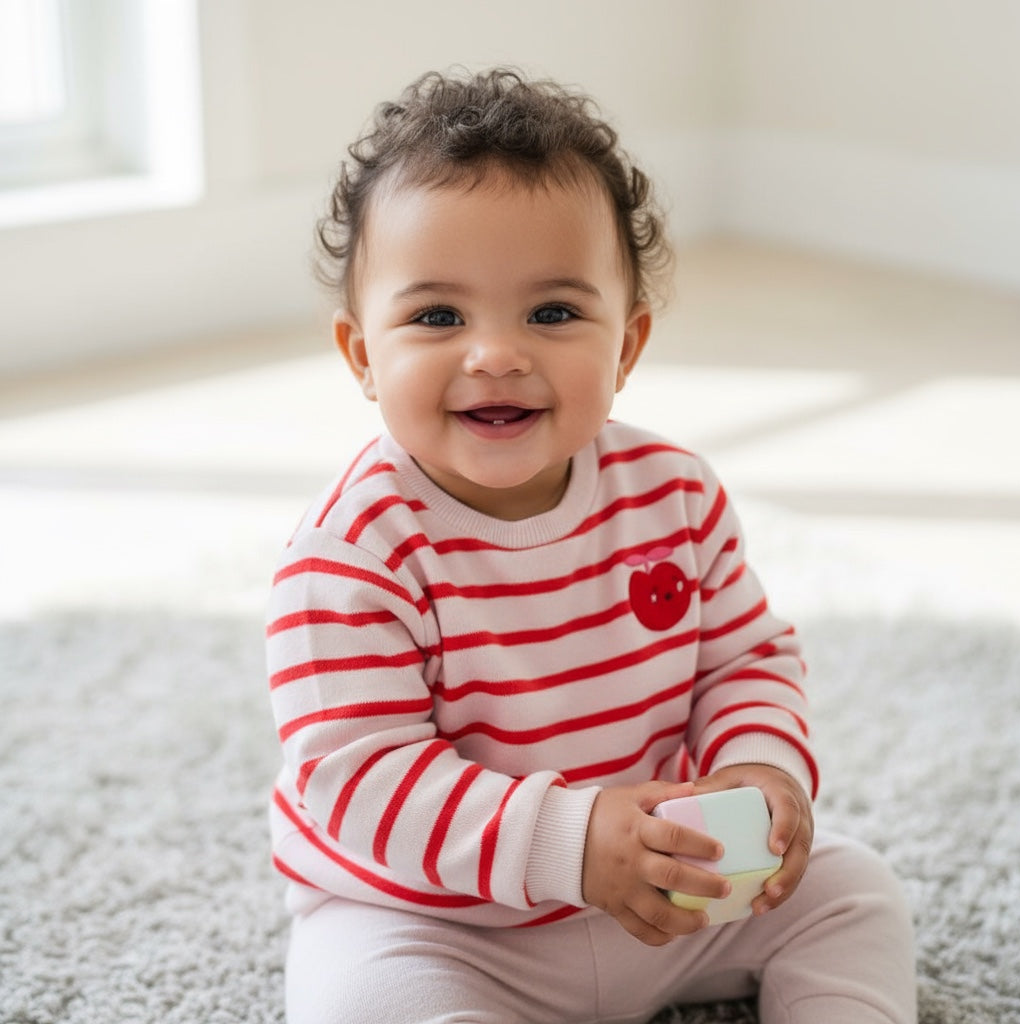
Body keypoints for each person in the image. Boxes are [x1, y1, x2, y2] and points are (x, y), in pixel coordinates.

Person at [265, 67, 916, 1024]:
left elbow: (743, 659)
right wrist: (569, 843)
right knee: (362, 996)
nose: (496, 353)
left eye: (554, 312)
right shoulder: (350, 555)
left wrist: (759, 770)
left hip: (663, 884)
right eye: (438, 316)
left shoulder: (676, 494)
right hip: (441, 923)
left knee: (855, 893)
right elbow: (360, 780)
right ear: (363, 354)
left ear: (629, 344)